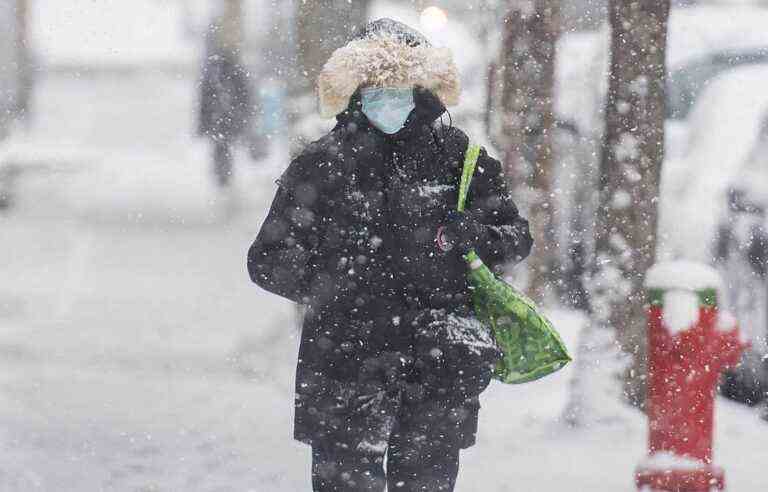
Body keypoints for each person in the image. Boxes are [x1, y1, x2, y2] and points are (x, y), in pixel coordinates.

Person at [247, 19, 532, 492]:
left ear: (423, 89)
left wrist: (475, 233)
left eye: (399, 89)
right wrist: (330, 284)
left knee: (425, 482)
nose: (389, 100)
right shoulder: (322, 163)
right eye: (376, 89)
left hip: (437, 362)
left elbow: (516, 238)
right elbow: (267, 258)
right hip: (344, 361)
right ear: (355, 91)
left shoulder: (461, 159)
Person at [198, 0, 252, 187]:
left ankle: (223, 175)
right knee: (222, 146)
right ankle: (223, 175)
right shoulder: (225, 69)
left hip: (222, 118)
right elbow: (243, 94)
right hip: (223, 118)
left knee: (222, 146)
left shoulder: (219, 69)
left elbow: (243, 94)